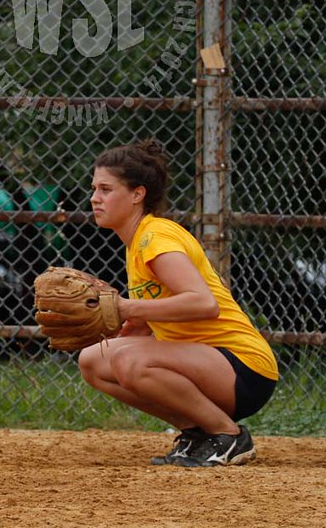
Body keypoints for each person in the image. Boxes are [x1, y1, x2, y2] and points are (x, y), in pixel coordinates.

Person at [78, 139, 278, 467]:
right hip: (206, 366)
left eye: (105, 189)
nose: (95, 199)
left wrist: (127, 307)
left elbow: (203, 303)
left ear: (137, 194)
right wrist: (112, 327)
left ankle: (227, 436)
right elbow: (150, 321)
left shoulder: (155, 237)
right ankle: (196, 431)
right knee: (94, 361)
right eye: (94, 188)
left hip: (244, 369)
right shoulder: (137, 243)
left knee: (130, 361)